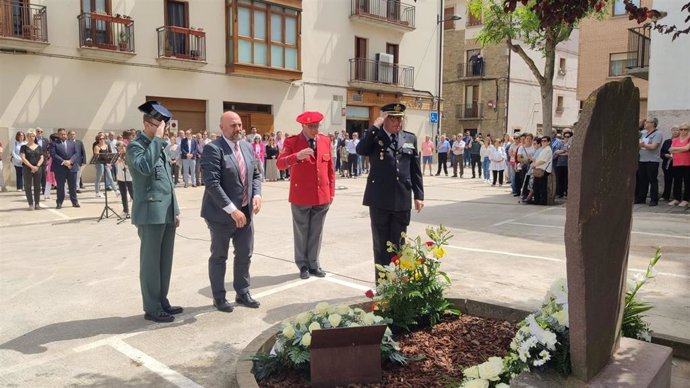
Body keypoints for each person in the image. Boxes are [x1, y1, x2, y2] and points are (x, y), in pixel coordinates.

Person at [200, 111, 262, 313]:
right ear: (222, 128)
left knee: (245, 254)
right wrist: (232, 210)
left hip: (246, 212)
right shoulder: (213, 149)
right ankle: (219, 297)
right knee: (219, 256)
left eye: (239, 125)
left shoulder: (246, 146)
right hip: (221, 216)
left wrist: (257, 195)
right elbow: (212, 183)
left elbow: (255, 174)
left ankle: (242, 292)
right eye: (233, 125)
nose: (238, 129)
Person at [126, 101, 182, 323]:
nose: (163, 129)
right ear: (146, 124)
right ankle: (151, 307)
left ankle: (162, 300)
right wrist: (158, 140)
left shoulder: (160, 145)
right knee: (150, 262)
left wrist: (175, 210)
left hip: (166, 212)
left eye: (164, 126)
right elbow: (144, 168)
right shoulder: (135, 146)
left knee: (164, 260)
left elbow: (167, 181)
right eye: (159, 125)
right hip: (150, 213)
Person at [356, 103, 424, 281]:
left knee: (398, 246)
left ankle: (397, 285)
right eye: (392, 118)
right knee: (380, 246)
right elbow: (360, 150)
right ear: (385, 119)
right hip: (379, 201)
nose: (397, 122)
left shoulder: (410, 138)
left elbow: (415, 169)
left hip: (402, 200)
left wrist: (419, 195)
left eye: (399, 118)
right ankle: (383, 286)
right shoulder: (374, 137)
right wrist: (374, 127)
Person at [277, 111, 335, 279]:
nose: (314, 129)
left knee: (317, 231)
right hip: (301, 195)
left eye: (316, 126)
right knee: (301, 231)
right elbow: (280, 164)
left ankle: (314, 264)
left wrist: (331, 192)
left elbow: (330, 168)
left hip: (321, 195)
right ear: (303, 126)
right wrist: (296, 156)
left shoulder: (325, 140)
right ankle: (302, 264)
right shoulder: (293, 141)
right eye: (311, 127)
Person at [635, 117, 663, 206]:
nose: (645, 123)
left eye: (647, 122)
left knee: (652, 179)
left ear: (653, 124)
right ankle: (641, 198)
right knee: (642, 180)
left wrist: (643, 145)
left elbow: (654, 146)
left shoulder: (658, 133)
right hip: (642, 159)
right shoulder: (643, 133)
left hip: (652, 160)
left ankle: (654, 199)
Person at [50, 128, 81, 209]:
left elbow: (76, 153)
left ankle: (74, 202)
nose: (63, 136)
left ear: (66, 135)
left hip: (72, 167)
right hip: (60, 168)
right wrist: (64, 162)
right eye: (61, 134)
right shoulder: (54, 144)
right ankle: (59, 202)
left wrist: (70, 161)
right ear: (58, 135)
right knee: (60, 186)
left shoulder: (72, 143)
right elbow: (53, 155)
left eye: (64, 134)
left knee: (73, 186)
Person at [20, 129, 44, 210]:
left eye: (33, 136)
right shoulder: (23, 147)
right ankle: (30, 204)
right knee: (28, 186)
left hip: (38, 168)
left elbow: (42, 158)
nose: (31, 137)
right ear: (27, 137)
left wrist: (37, 166)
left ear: (35, 137)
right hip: (27, 169)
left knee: (37, 186)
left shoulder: (39, 147)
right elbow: (23, 158)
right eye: (29, 136)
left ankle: (37, 204)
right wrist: (31, 167)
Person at [668, 123, 690, 207]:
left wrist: (676, 149)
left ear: (688, 130)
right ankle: (676, 198)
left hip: (687, 163)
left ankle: (686, 199)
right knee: (677, 181)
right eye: (681, 129)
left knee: (687, 182)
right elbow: (670, 150)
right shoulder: (675, 140)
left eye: (685, 129)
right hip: (677, 162)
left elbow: (687, 148)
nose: (683, 131)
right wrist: (681, 149)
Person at [93, 133, 117, 198]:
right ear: (98, 140)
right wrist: (106, 163)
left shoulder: (106, 145)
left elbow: (109, 155)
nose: (102, 140)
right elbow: (98, 157)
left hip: (106, 163)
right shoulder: (96, 147)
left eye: (103, 138)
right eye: (100, 139)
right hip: (99, 164)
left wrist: (109, 163)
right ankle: (97, 192)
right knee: (99, 178)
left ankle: (116, 191)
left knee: (110, 177)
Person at [115, 141, 134, 218]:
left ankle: (137, 210)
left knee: (133, 194)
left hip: (129, 177)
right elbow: (114, 163)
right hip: (120, 177)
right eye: (119, 148)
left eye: (122, 148)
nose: (121, 149)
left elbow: (130, 165)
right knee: (123, 195)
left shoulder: (129, 155)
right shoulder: (117, 156)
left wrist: (123, 161)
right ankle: (125, 210)